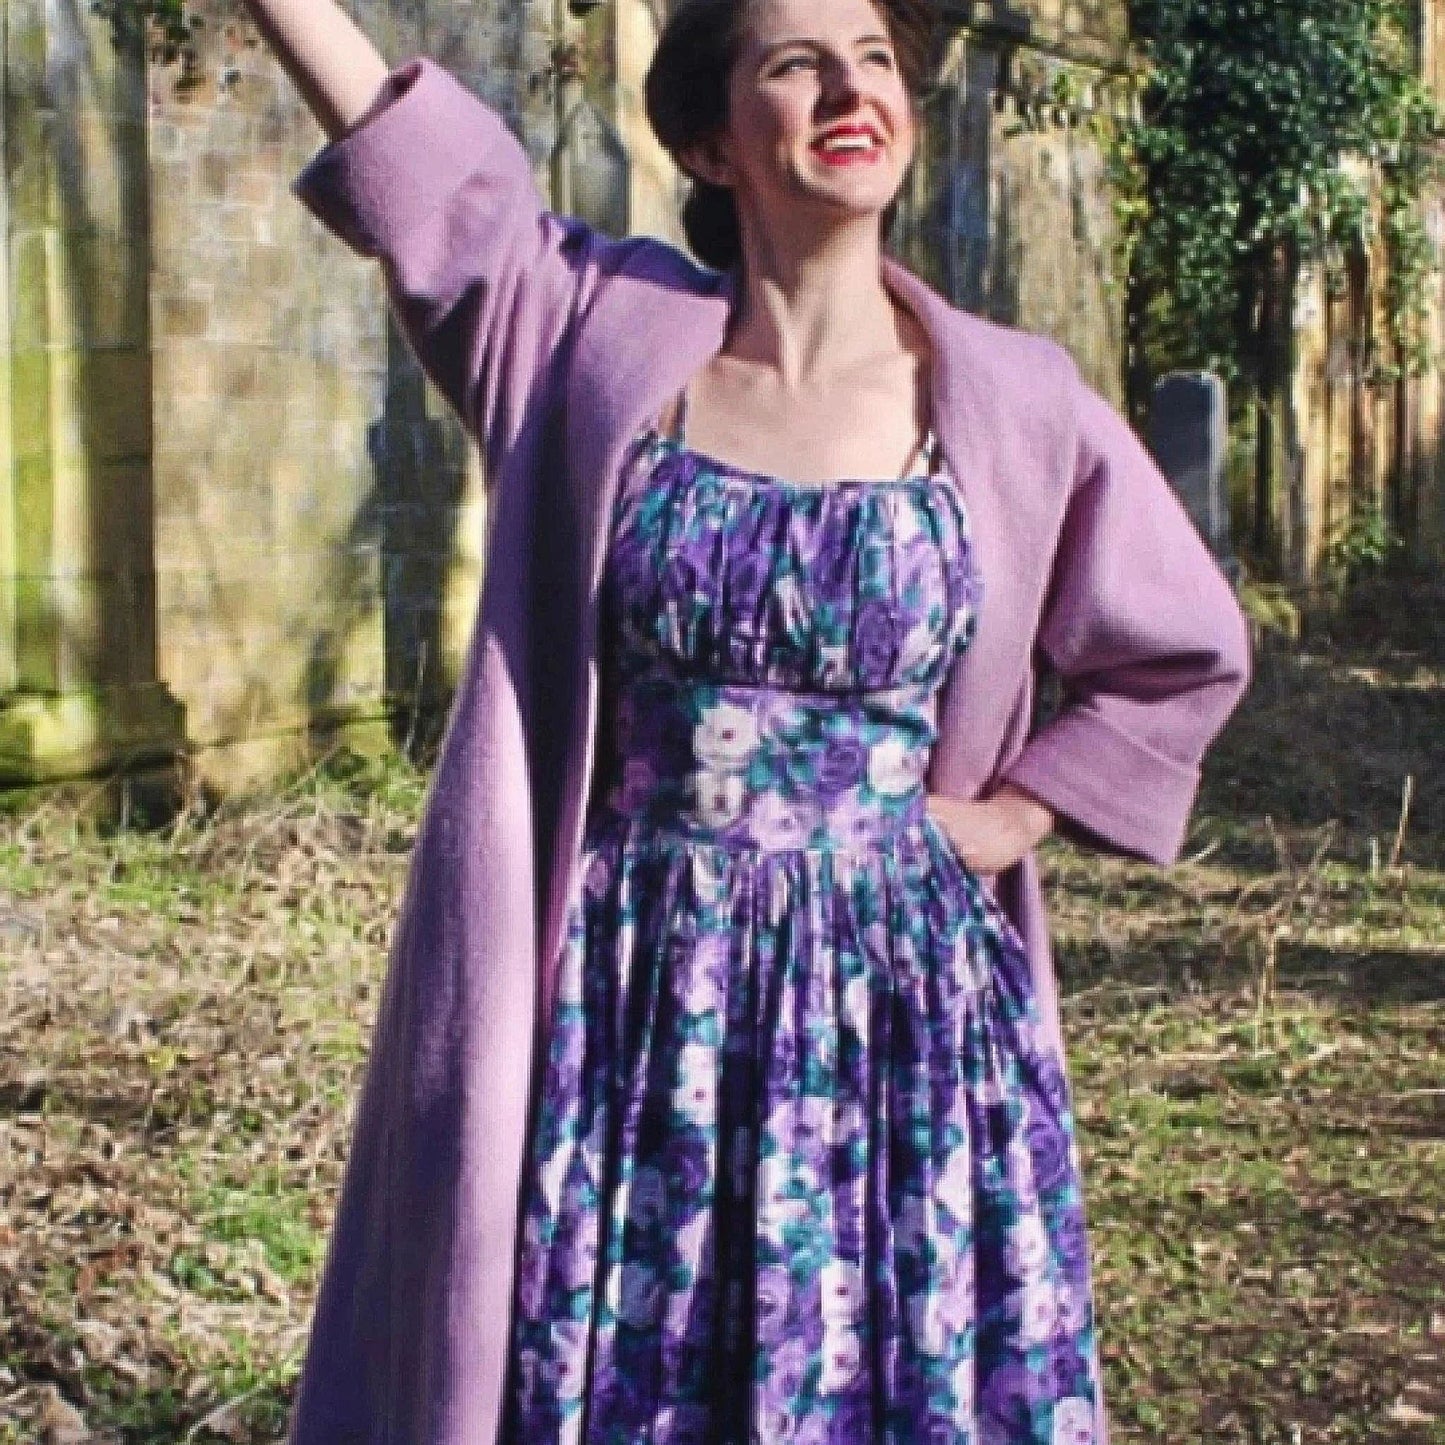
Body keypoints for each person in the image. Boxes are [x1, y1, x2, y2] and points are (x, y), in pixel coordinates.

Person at [245, 0, 1253, 1439]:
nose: (852, 89)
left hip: (900, 1022)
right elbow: (428, 178)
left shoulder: (1010, 401)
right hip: (639, 1000)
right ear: (712, 139)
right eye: (796, 62)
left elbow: (1181, 648)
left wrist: (1017, 811)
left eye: (874, 61)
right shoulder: (591, 339)